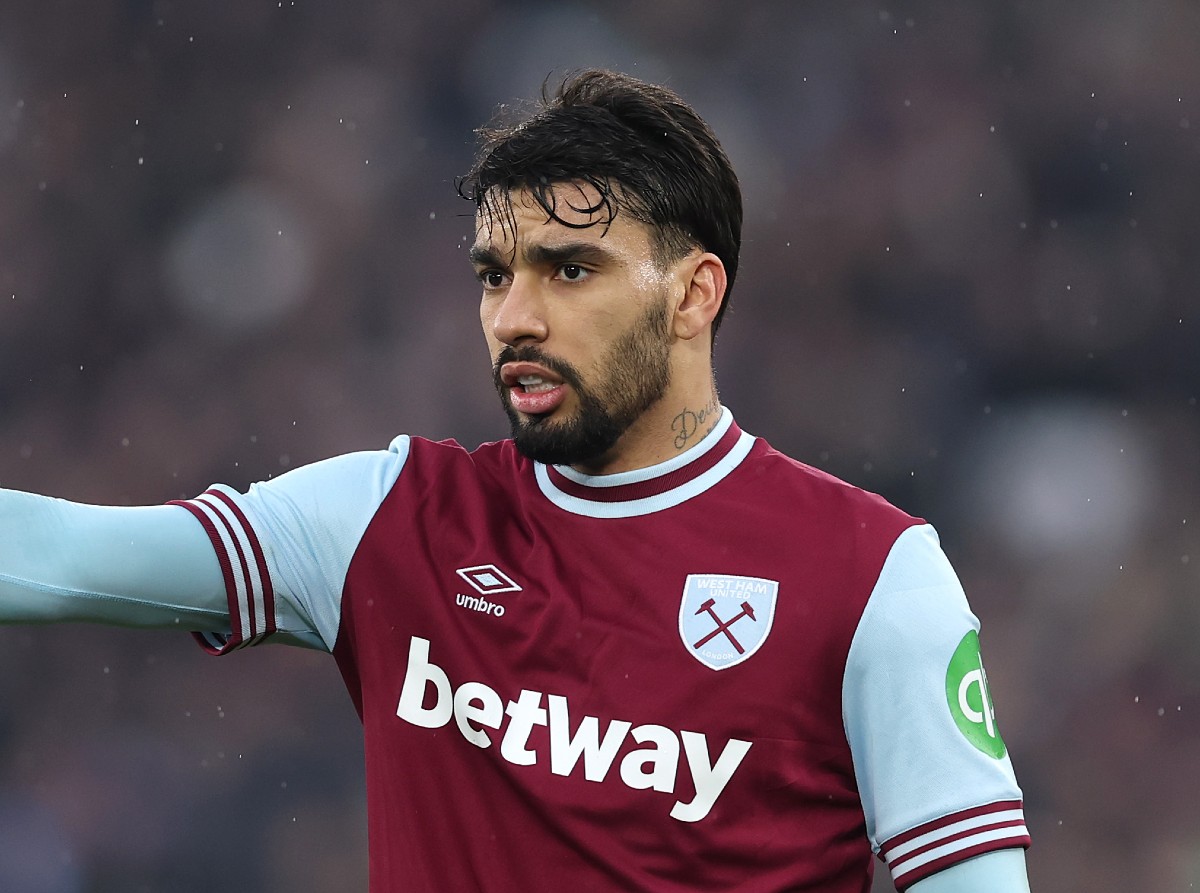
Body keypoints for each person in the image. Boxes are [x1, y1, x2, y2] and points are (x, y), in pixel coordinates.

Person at [0, 69, 1031, 892]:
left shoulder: (872, 576)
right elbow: (53, 559)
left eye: (568, 269)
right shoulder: (385, 520)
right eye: (497, 274)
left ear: (693, 293)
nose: (515, 317)